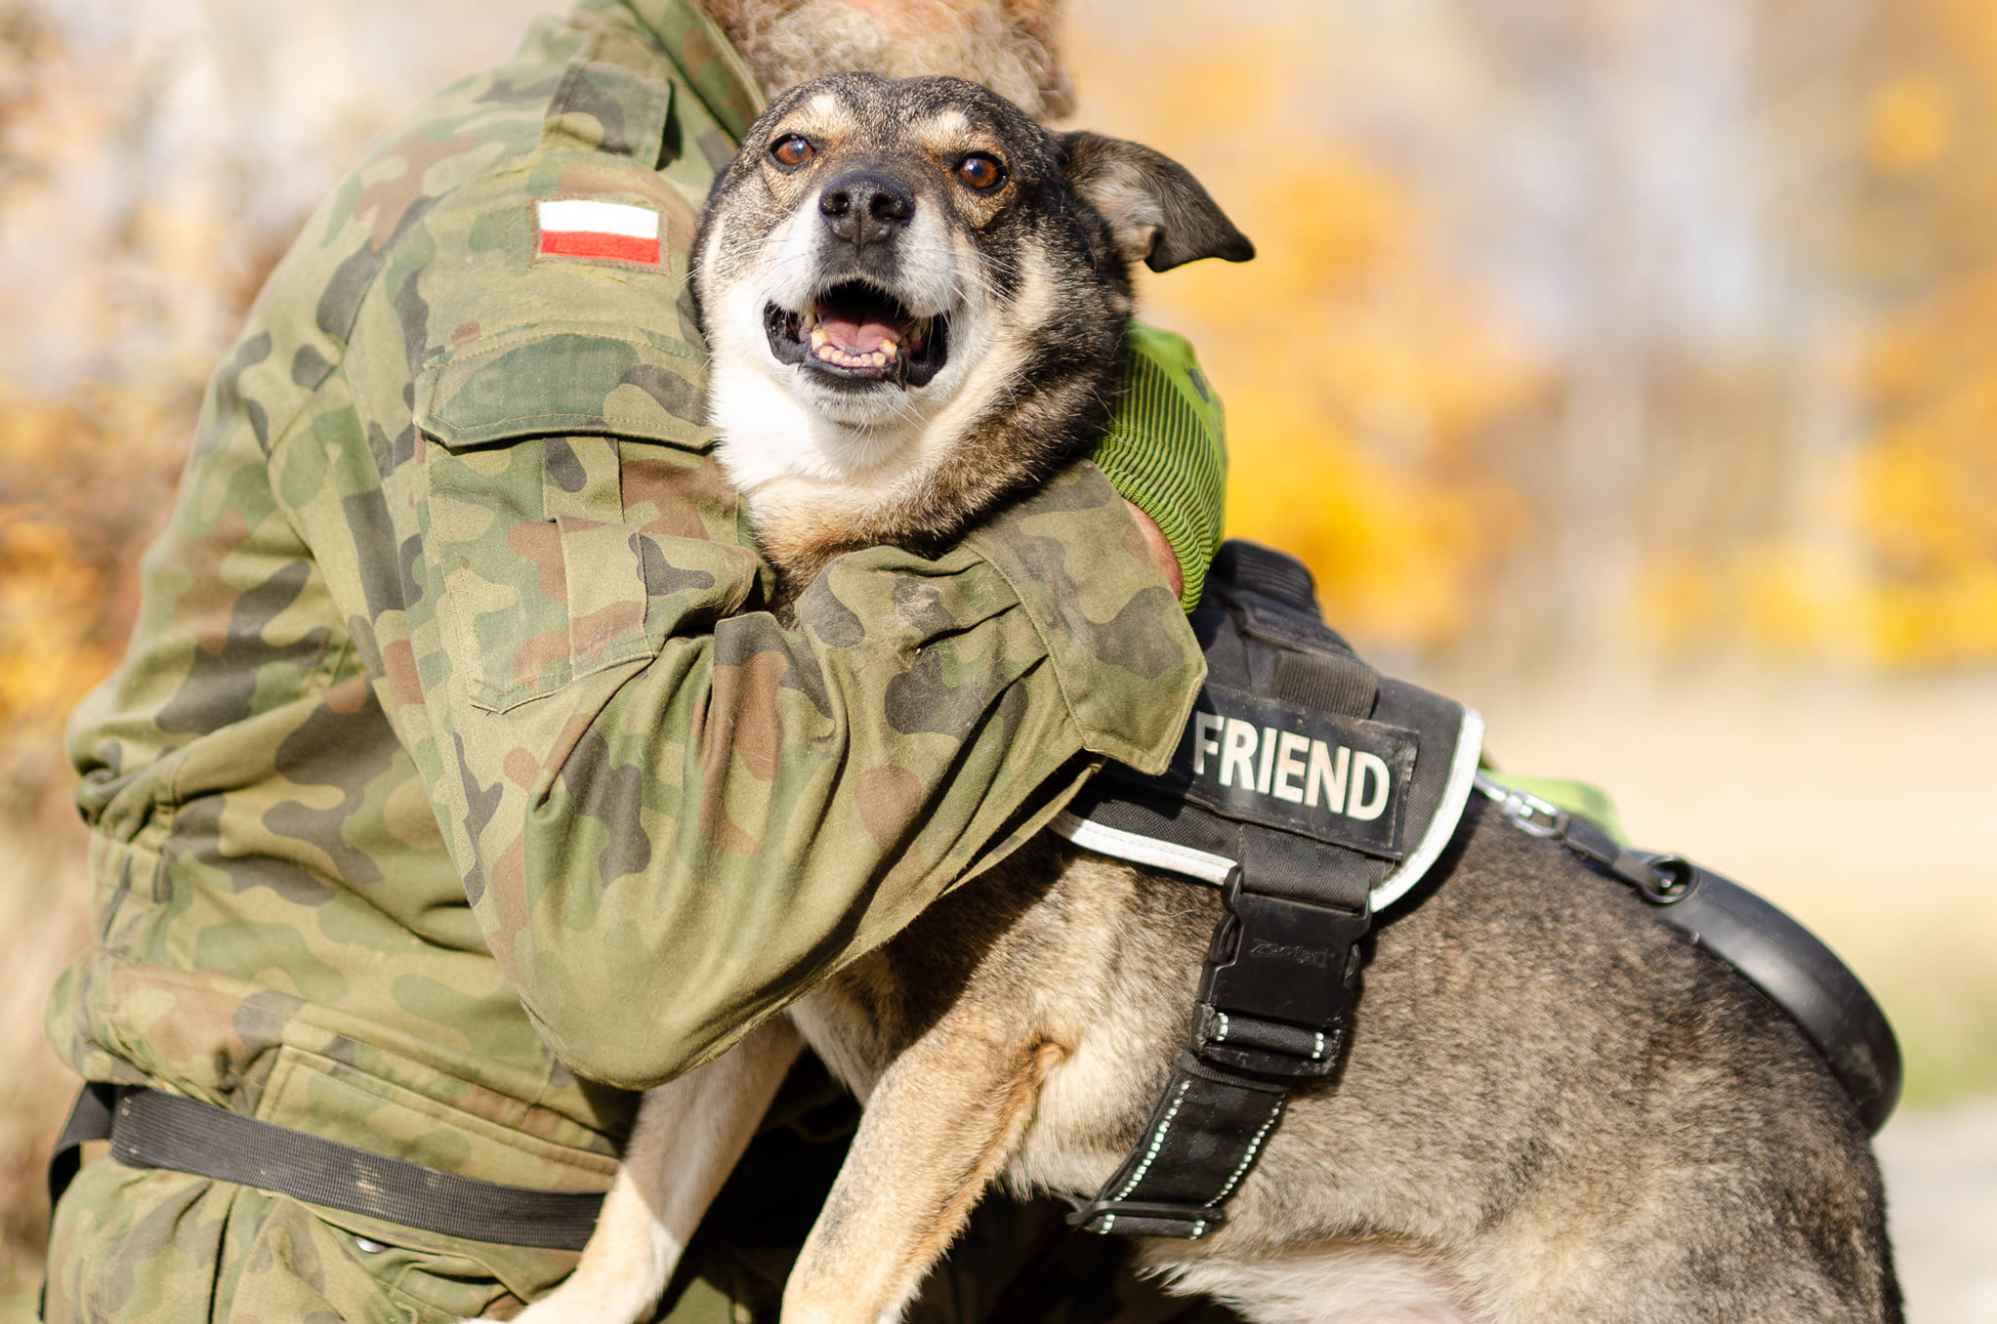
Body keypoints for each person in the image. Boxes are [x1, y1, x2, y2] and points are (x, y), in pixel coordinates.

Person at [39, 1, 1240, 1319]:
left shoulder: (782, 205)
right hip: (415, 1260)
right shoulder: (563, 220)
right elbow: (653, 920)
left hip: (736, 1241)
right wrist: (1108, 536)